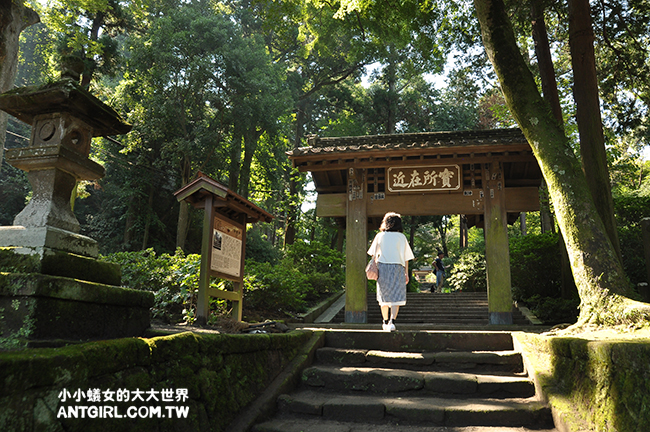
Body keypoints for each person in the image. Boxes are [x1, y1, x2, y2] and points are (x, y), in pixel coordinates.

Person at [367, 212, 415, 332]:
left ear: (385, 222)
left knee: (383, 297)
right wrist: (406, 273)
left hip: (382, 267)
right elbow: (406, 257)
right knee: (396, 296)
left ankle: (384, 321)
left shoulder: (379, 236)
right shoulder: (401, 237)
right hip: (398, 267)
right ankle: (392, 322)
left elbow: (373, 254)